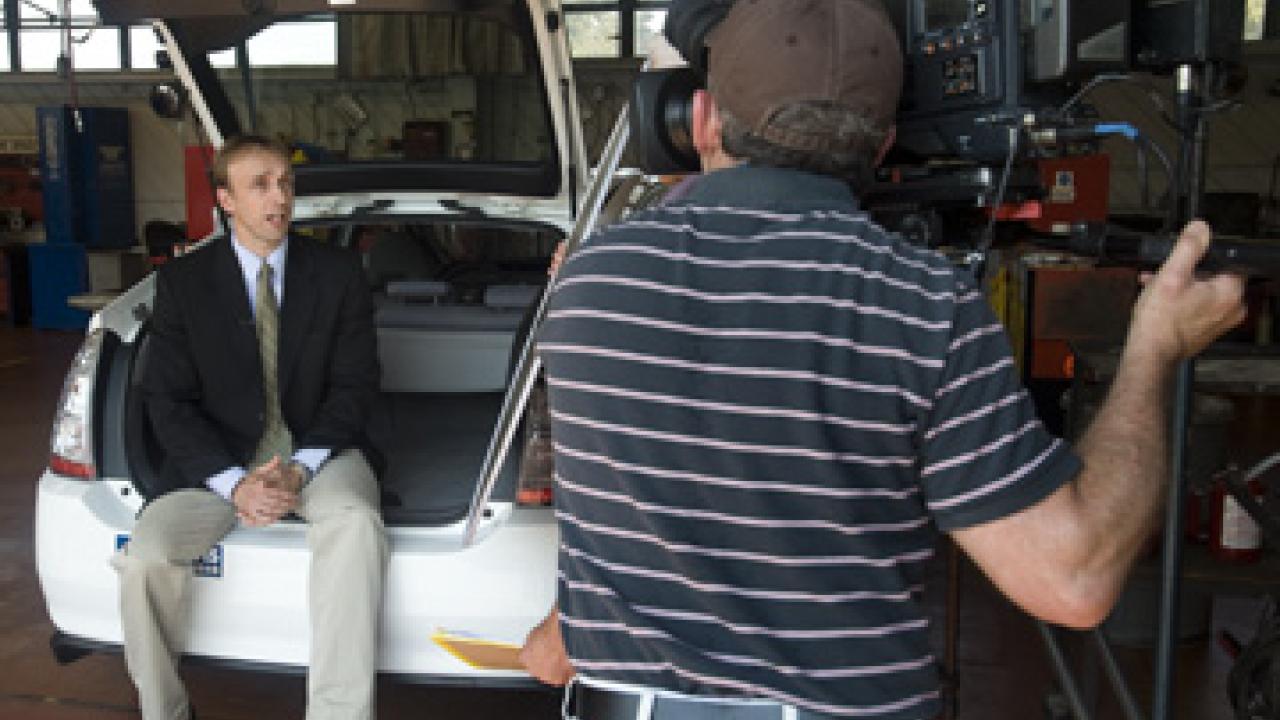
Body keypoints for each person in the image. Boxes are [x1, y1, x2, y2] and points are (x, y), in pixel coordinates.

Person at [519, 0, 1247, 718]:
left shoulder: (590, 283)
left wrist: (563, 632)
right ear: (881, 145)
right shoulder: (926, 304)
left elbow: (625, 512)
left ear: (702, 120)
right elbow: (1073, 580)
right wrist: (1158, 347)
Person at [113, 135, 387, 720]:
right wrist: (236, 484)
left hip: (319, 453)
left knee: (355, 524)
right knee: (146, 557)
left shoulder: (338, 273)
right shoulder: (184, 283)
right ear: (225, 200)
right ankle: (166, 711)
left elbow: (356, 385)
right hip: (218, 465)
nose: (279, 197)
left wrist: (298, 467)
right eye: (260, 184)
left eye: (285, 183)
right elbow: (168, 401)